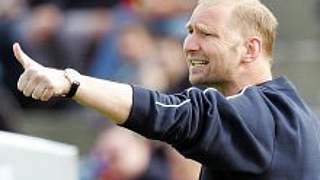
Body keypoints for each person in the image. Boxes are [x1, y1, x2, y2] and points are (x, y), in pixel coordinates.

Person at [11, 0, 320, 179]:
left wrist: (71, 83)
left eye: (206, 33)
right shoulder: (294, 116)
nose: (189, 44)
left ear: (250, 49)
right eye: (189, 31)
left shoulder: (260, 116)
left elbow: (176, 114)